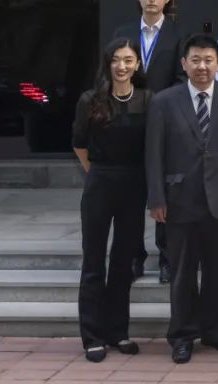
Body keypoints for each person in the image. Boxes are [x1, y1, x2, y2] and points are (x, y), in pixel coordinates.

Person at [145, 34, 218, 364]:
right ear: (184, 63)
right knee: (182, 272)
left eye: (208, 60)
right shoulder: (164, 100)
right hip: (179, 199)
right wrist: (156, 198)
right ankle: (182, 335)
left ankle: (215, 331)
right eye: (196, 60)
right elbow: (153, 153)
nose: (202, 66)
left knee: (216, 271)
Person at [73, 38, 150, 363]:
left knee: (123, 262)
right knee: (94, 261)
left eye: (128, 60)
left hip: (134, 185)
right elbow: (79, 144)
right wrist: (97, 173)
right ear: (108, 64)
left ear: (137, 65)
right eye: (116, 60)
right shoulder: (90, 99)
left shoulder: (148, 99)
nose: (122, 66)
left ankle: (118, 331)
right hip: (100, 182)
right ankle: (92, 336)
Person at [113, 0, 185, 284]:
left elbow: (182, 80)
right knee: (130, 194)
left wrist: (161, 106)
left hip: (164, 122)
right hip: (128, 121)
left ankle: (167, 258)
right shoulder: (123, 33)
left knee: (165, 191)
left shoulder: (179, 35)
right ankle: (133, 257)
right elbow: (112, 72)